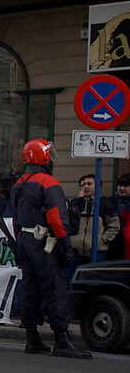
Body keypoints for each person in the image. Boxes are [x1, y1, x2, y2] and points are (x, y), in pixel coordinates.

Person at [10, 138, 91, 359]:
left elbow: (16, 220)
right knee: (55, 289)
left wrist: (19, 246)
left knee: (30, 289)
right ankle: (62, 341)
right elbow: (56, 218)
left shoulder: (18, 184)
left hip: (25, 242)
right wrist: (65, 245)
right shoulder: (49, 183)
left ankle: (32, 339)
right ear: (43, 157)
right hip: (45, 243)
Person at [67, 173, 120, 283]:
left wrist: (103, 239)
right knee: (71, 281)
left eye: (89, 184)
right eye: (83, 185)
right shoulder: (74, 204)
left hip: (97, 251)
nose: (86, 186)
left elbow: (114, 226)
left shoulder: (105, 205)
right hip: (75, 251)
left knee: (94, 282)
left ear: (97, 186)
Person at [106, 173, 130, 260]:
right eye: (120, 185)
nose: (122, 188)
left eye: (126, 186)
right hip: (113, 243)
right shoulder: (109, 202)